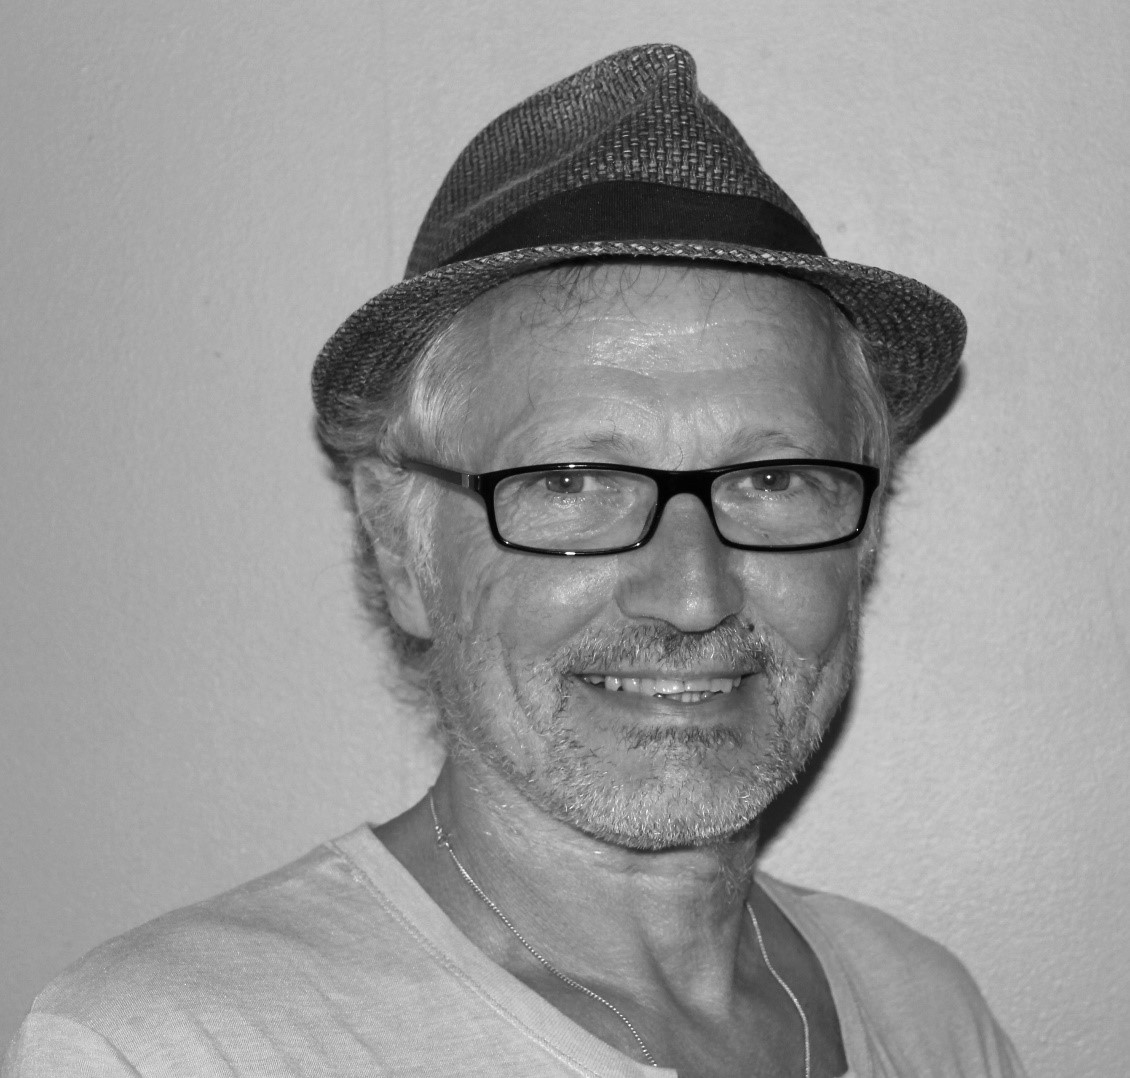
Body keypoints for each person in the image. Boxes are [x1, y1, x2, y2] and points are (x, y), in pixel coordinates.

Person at [4, 43, 1027, 1078]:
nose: (691, 593)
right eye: (572, 481)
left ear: (863, 539)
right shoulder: (170, 1046)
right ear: (403, 548)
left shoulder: (927, 1012)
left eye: (772, 480)